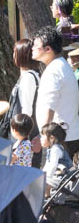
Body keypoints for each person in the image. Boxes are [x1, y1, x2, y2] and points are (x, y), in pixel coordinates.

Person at [32, 26, 79, 157]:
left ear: (48, 49)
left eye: (35, 45)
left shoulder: (54, 71)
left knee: (60, 171)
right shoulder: (61, 66)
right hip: (65, 135)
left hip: (60, 138)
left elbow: (49, 107)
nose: (32, 48)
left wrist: (45, 135)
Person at [2, 38, 40, 138]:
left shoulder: (28, 78)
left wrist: (22, 137)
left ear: (22, 54)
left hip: (22, 133)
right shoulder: (29, 75)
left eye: (15, 51)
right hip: (20, 131)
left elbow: (27, 110)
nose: (13, 55)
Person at [39, 122, 73, 193]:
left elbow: (53, 166)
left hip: (62, 178)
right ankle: (47, 197)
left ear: (51, 138)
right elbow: (48, 165)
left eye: (42, 136)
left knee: (42, 185)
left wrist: (45, 178)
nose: (40, 139)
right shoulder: (51, 148)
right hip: (56, 176)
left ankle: (46, 198)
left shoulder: (56, 149)